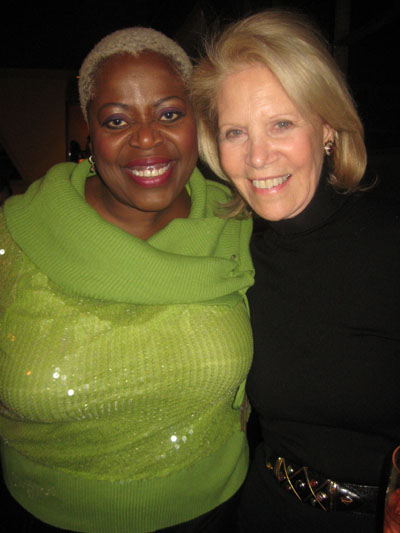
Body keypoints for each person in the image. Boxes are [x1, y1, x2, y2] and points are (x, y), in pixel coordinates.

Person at [0, 27, 255, 532]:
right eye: (117, 119)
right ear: (90, 133)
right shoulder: (16, 236)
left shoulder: (242, 226)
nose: (145, 137)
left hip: (218, 513)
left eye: (168, 114)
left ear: (195, 124)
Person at [191, 9, 400, 533]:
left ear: (327, 127)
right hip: (264, 511)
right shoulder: (234, 250)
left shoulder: (389, 240)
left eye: (281, 124)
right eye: (236, 131)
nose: (258, 156)